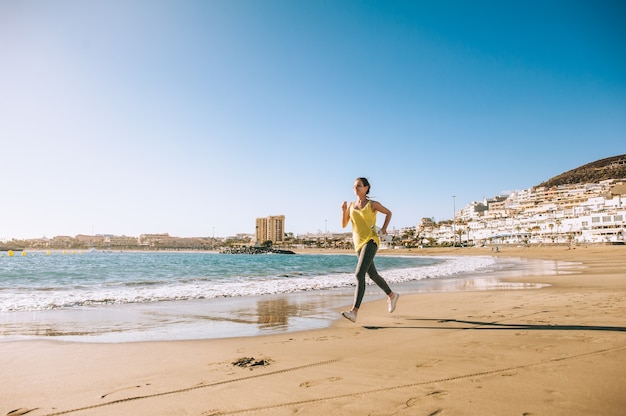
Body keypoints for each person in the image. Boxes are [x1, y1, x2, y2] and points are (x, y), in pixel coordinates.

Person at [340, 177, 399, 322]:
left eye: (359, 186)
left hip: (371, 241)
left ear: (366, 188)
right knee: (372, 275)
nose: (356, 188)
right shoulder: (351, 205)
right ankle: (392, 295)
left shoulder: (372, 204)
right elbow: (344, 224)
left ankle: (354, 311)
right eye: (354, 186)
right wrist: (343, 211)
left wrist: (384, 228)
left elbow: (388, 213)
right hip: (358, 244)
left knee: (359, 274)